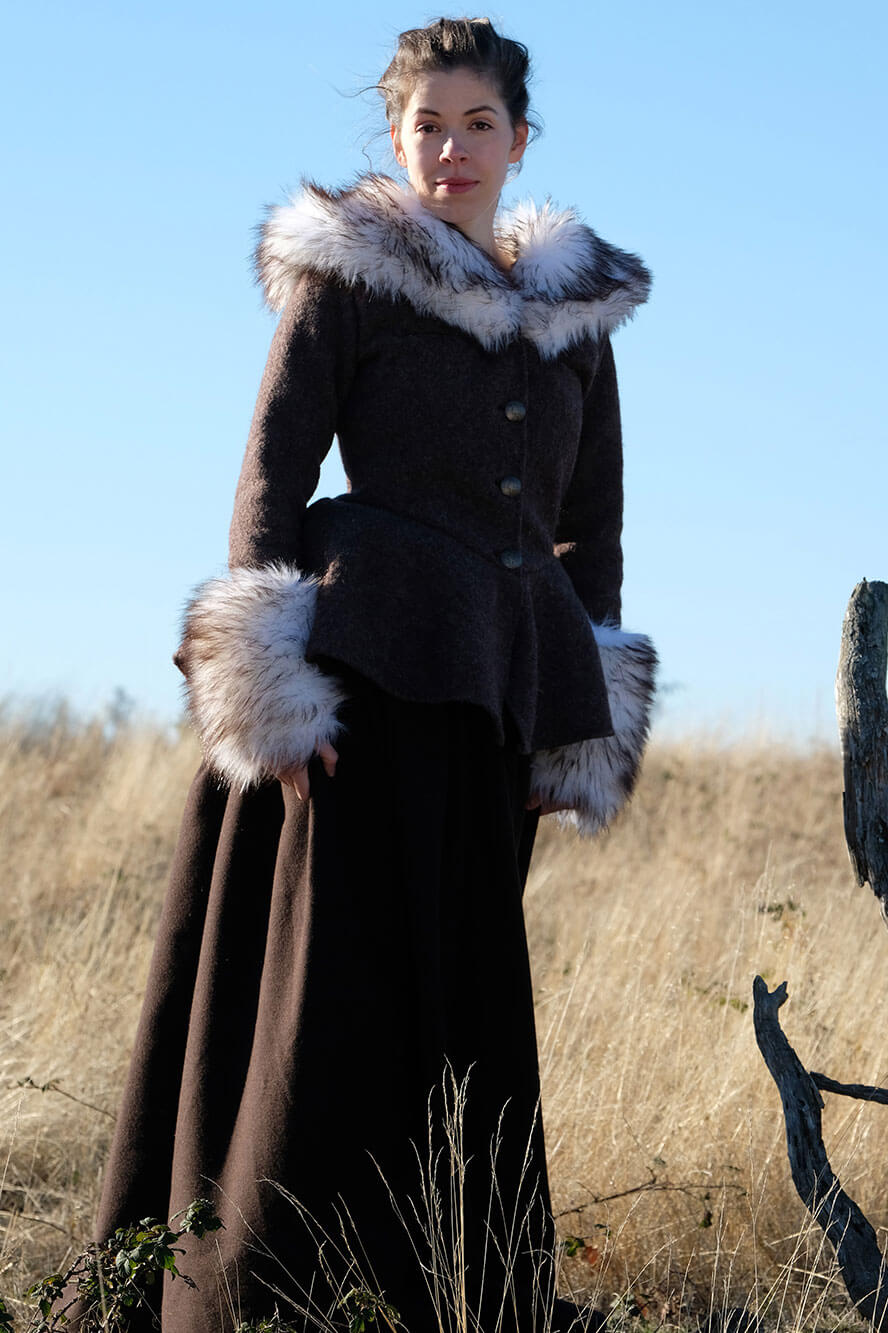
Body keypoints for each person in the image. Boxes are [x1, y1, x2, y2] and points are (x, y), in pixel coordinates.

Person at [89, 16, 655, 1333]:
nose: (453, 150)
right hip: (355, 691)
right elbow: (273, 475)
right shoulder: (349, 278)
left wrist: (574, 730)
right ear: (395, 140)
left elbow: (593, 531)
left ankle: (445, 1300)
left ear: (520, 141)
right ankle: (267, 1301)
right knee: (320, 1016)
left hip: (494, 704)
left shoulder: (576, 320)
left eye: (478, 126)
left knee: (460, 1024)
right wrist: (272, 696)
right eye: (428, 126)